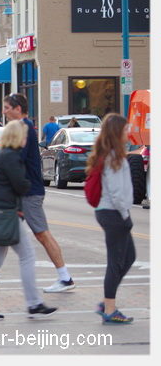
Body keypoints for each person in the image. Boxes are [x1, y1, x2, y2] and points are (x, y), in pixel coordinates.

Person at [0, 120, 58, 321]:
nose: (26, 139)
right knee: (27, 255)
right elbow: (20, 185)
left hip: (1, 214)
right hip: (6, 215)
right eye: (25, 136)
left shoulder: (3, 156)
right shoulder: (12, 158)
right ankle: (33, 303)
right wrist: (28, 183)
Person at [4, 93, 75, 292]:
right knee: (5, 235)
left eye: (7, 107)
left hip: (29, 193)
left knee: (42, 234)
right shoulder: (22, 128)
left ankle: (65, 278)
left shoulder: (24, 129)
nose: (4, 111)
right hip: (22, 193)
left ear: (18, 109)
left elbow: (15, 161)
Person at [86, 113, 135, 325]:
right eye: (125, 130)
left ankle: (106, 302)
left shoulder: (112, 155)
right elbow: (116, 193)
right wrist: (125, 216)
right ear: (117, 132)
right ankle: (110, 309)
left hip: (110, 213)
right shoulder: (113, 158)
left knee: (129, 257)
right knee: (115, 263)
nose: (128, 133)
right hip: (113, 213)